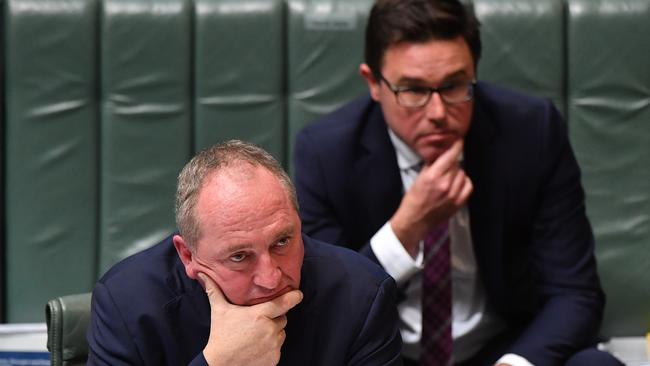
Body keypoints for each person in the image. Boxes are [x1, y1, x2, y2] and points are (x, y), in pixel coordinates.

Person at [293, 0, 623, 365]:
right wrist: (407, 228)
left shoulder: (532, 132)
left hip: (501, 349)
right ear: (373, 82)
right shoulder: (326, 153)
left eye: (454, 86)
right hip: (387, 354)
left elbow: (575, 292)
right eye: (413, 90)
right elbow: (329, 308)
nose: (437, 113)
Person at [87, 140, 403, 365]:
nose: (270, 278)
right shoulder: (127, 305)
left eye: (282, 241)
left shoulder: (362, 295)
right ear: (188, 256)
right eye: (239, 257)